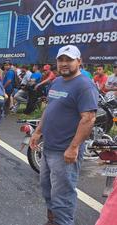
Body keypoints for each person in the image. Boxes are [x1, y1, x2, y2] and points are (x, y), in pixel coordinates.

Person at [30, 45, 98, 225]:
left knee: (63, 197)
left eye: (69, 60)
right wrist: (37, 132)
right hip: (48, 147)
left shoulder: (84, 85)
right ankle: (52, 221)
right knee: (47, 190)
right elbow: (50, 109)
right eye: (61, 60)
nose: (64, 63)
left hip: (65, 151)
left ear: (79, 61)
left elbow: (89, 119)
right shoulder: (57, 81)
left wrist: (73, 147)